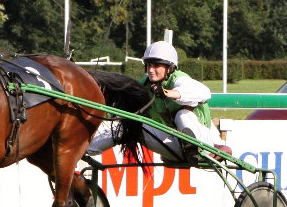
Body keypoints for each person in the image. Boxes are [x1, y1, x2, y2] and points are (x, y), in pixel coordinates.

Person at [89, 40, 231, 161]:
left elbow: (204, 92)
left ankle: (197, 148)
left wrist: (167, 93)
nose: (151, 70)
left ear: (170, 68)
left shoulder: (180, 79)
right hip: (173, 146)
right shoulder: (145, 85)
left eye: (156, 65)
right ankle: (86, 150)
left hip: (205, 143)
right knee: (128, 125)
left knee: (183, 115)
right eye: (148, 65)